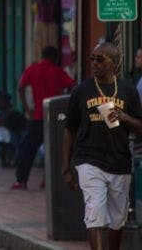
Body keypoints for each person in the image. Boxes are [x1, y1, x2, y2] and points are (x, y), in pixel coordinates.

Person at [64, 42, 142, 250]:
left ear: (114, 63)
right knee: (95, 212)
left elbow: (140, 127)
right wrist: (67, 166)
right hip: (89, 160)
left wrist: (125, 118)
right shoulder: (81, 91)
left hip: (119, 160)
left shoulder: (128, 91)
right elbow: (70, 128)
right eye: (92, 58)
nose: (94, 63)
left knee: (117, 219)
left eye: (100, 59)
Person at [13, 45, 75, 190]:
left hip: (37, 116)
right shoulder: (58, 71)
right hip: (54, 117)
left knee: (28, 149)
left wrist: (28, 108)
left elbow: (20, 87)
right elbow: (73, 86)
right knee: (55, 150)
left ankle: (21, 180)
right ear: (54, 57)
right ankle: (47, 180)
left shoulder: (33, 69)